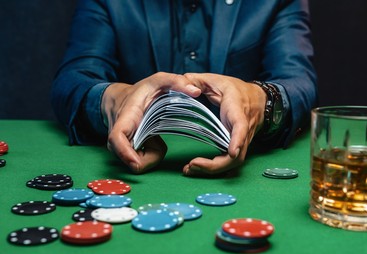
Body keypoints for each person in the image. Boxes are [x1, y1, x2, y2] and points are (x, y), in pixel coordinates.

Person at [51, 0, 317, 176]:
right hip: (140, 157)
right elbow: (73, 78)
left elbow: (298, 81)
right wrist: (117, 101)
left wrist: (258, 99)